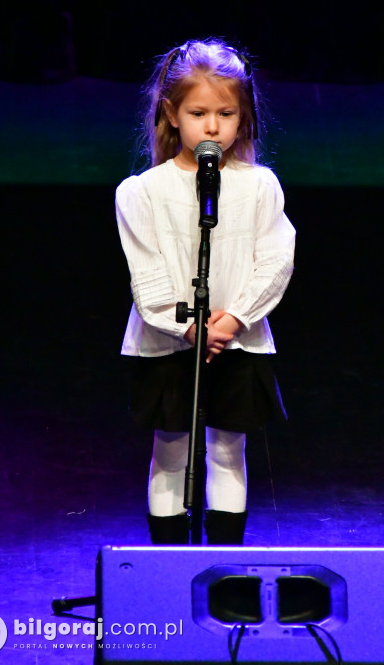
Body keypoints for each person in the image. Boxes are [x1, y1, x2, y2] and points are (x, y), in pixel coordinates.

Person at [115, 38, 295, 546]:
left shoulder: (259, 186)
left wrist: (232, 320)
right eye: (198, 113)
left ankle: (223, 569)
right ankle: (171, 566)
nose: (212, 127)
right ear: (172, 113)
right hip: (170, 343)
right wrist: (189, 327)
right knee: (171, 450)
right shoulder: (142, 192)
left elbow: (276, 260)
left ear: (243, 117)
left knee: (228, 450)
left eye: (226, 113)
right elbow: (147, 274)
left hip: (236, 341)